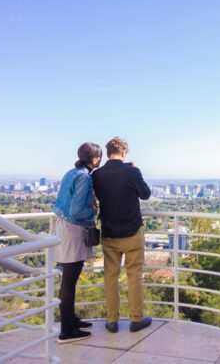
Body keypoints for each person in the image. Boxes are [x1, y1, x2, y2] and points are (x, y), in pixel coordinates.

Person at [92, 137, 152, 333]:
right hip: (132, 231)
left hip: (109, 233)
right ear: (124, 152)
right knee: (134, 276)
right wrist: (135, 170)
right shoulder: (131, 171)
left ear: (108, 153)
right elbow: (145, 194)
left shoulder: (97, 174)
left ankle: (111, 320)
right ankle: (136, 319)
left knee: (110, 277)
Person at [53, 142, 102, 343]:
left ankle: (71, 321)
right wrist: (95, 210)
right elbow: (76, 210)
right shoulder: (84, 177)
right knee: (70, 279)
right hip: (73, 228)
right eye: (100, 156)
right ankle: (66, 330)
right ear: (95, 158)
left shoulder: (72, 173)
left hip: (64, 226)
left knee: (69, 278)